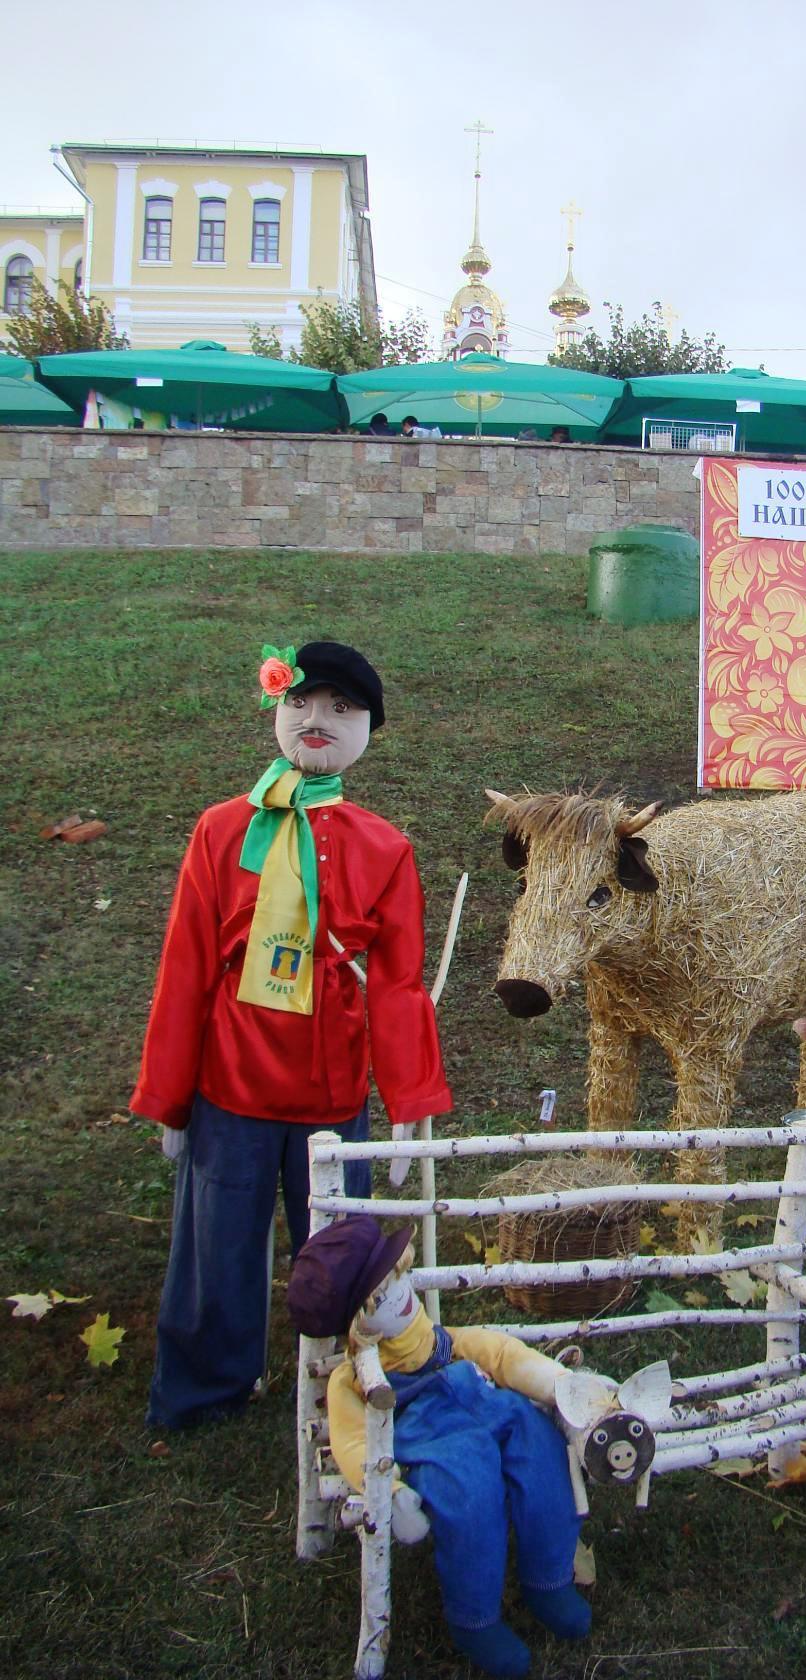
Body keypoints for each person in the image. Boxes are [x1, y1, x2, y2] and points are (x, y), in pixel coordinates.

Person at [132, 641, 451, 1431]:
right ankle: (207, 1387)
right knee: (216, 1247)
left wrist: (408, 1098)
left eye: (343, 709)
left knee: (343, 1253)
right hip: (228, 1089)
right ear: (277, 709)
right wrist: (173, 1099)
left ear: (368, 730)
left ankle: (352, 1379)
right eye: (303, 702)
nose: (318, 721)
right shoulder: (219, 832)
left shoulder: (386, 848)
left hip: (331, 1093)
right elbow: (186, 967)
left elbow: (401, 986)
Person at [289, 1216, 590, 1679]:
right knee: (467, 1492)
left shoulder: (443, 1341)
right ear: (357, 1322)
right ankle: (475, 1619)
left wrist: (560, 1384)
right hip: (428, 1435)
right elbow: (352, 1441)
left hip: (484, 1405)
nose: (401, 1294)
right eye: (383, 1295)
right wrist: (389, 1492)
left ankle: (548, 1579)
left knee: (540, 1446)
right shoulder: (352, 1382)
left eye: (399, 1277)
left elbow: (503, 1354)